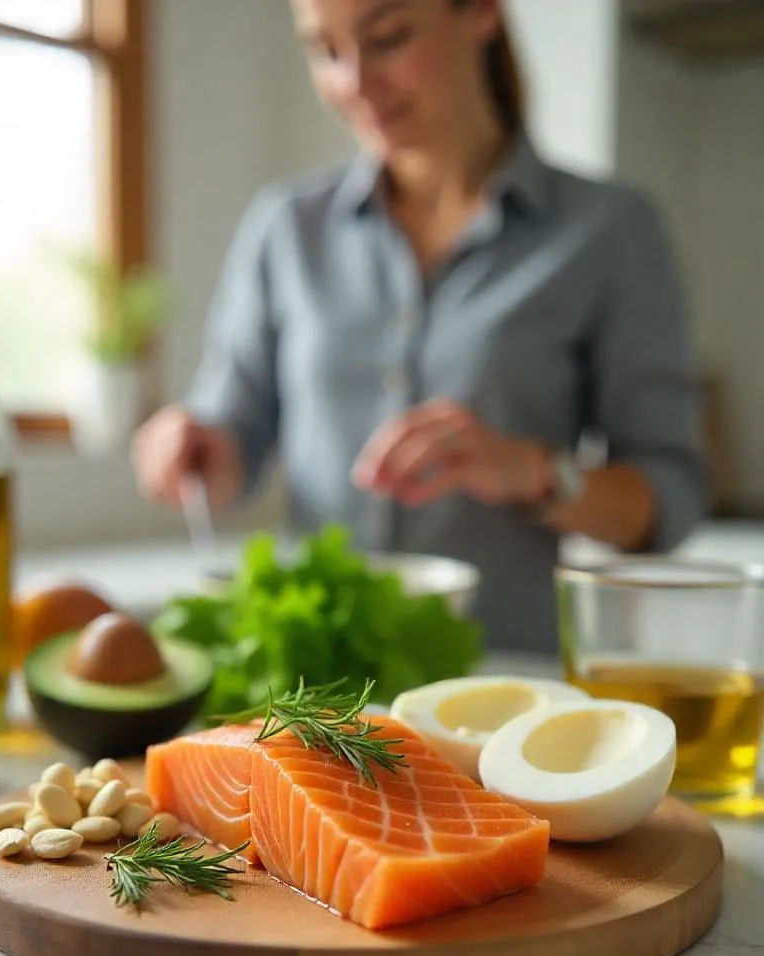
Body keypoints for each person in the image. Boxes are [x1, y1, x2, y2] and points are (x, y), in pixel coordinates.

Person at [132, 0, 710, 654]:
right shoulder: (285, 228)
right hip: (316, 692)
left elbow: (668, 500)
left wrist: (535, 471)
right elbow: (231, 440)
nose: (351, 83)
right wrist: (192, 450)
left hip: (502, 681)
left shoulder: (609, 231)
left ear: (481, 14)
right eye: (324, 51)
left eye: (389, 37)